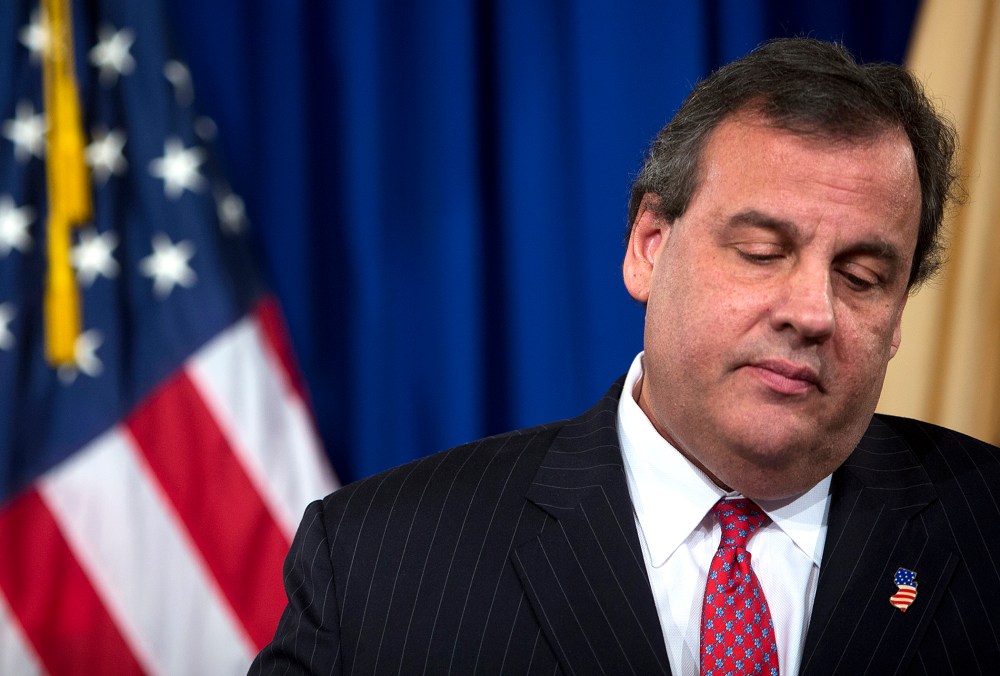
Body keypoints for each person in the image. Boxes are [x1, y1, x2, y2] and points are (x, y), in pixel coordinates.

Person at [251, 38, 1000, 675]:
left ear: (899, 315)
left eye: (863, 277)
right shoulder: (381, 568)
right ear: (649, 248)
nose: (812, 311)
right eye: (761, 252)